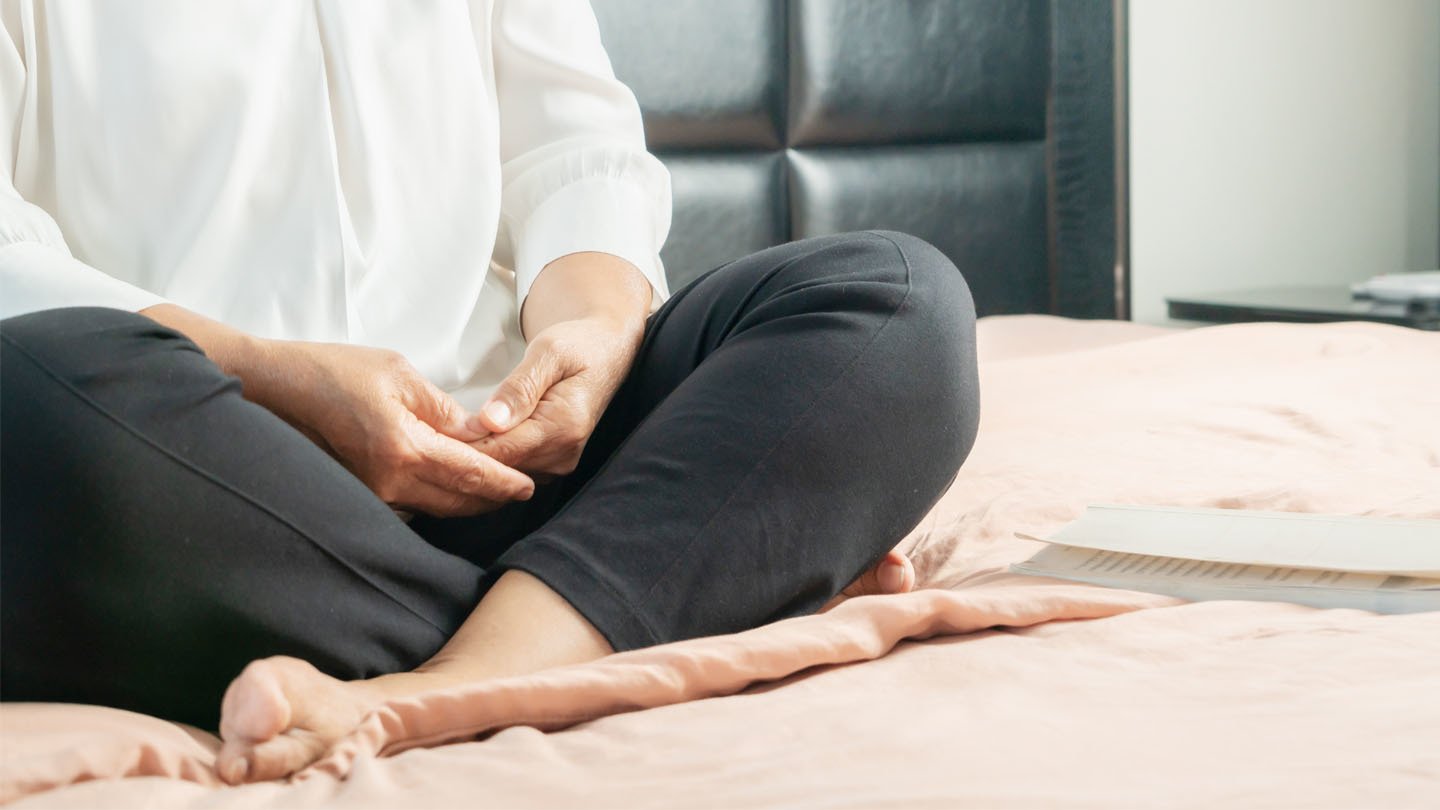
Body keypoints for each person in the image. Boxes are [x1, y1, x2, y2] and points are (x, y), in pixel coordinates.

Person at [0, 0, 979, 784]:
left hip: (529, 460)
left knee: (897, 300)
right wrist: (267, 369)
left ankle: (461, 678)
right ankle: (672, 586)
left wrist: (590, 332)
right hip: (216, 485)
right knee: (29, 394)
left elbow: (575, 155)